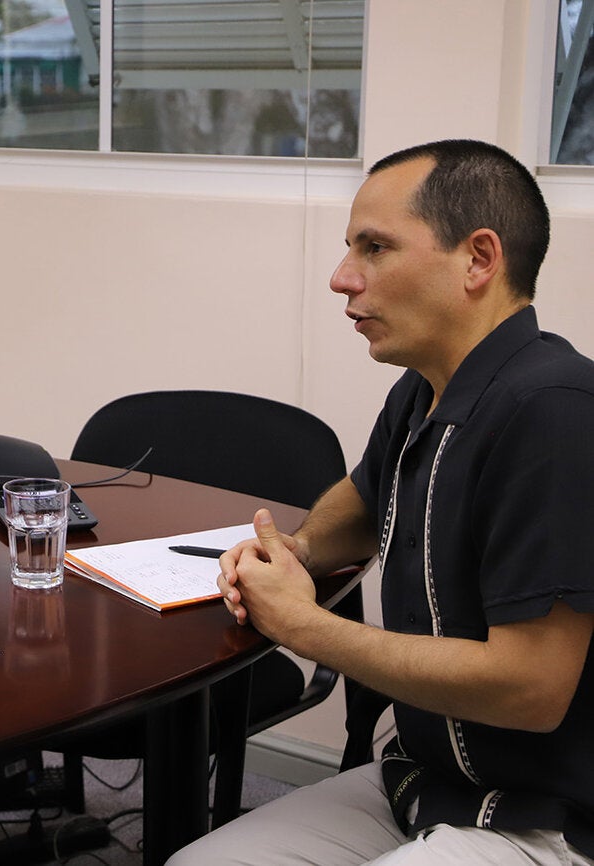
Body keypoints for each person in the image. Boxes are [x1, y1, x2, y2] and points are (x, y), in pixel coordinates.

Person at [169, 140, 594, 865]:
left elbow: (532, 689)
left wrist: (305, 627)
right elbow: (367, 499)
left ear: (479, 259)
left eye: (375, 247)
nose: (341, 278)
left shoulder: (553, 411)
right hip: (424, 781)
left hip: (544, 819)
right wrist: (299, 550)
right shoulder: (426, 389)